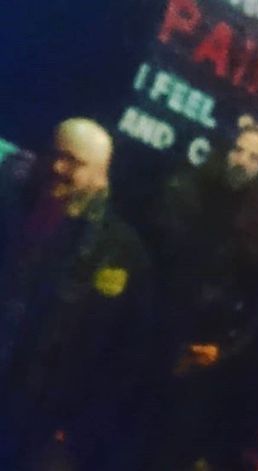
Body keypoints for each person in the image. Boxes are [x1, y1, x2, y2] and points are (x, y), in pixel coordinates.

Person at [0, 118, 151, 470]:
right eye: (54, 154)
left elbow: (123, 354)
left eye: (73, 162)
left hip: (34, 420)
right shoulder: (10, 209)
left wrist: (79, 430)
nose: (57, 167)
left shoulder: (120, 253)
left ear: (100, 175)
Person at [149, 121, 258, 469]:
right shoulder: (185, 191)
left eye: (254, 157)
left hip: (205, 348)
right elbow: (155, 260)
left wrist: (225, 350)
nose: (242, 161)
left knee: (173, 444)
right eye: (238, 150)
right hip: (157, 330)